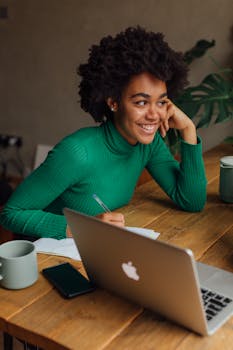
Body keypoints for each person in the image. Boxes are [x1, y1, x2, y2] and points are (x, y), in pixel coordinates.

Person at [0, 26, 207, 239]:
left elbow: (191, 202)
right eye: (142, 102)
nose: (154, 115)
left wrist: (188, 130)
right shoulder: (77, 153)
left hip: (97, 248)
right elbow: (11, 214)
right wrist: (82, 227)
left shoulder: (148, 144)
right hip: (47, 256)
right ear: (114, 103)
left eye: (161, 101)